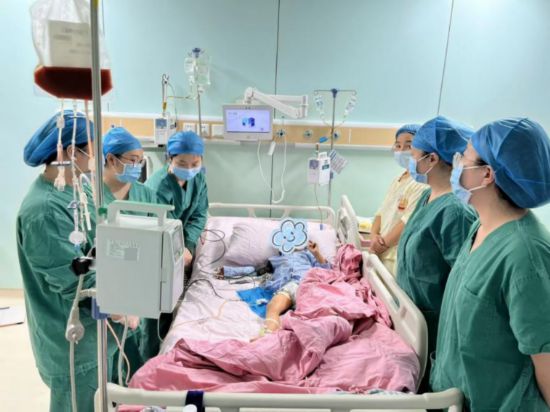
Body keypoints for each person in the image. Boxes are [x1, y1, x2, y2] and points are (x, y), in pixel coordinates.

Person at [430, 118, 550, 410]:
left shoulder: (525, 255)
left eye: (464, 157)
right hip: (455, 397)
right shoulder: (481, 228)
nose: (456, 164)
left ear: (486, 175)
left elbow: (546, 358)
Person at [16, 111, 131, 411]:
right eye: (93, 151)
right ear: (70, 153)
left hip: (97, 335)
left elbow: (97, 243)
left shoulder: (79, 188)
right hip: (74, 342)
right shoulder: (43, 210)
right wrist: (120, 305)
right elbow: (74, 283)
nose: (97, 158)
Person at [395, 116, 477, 390]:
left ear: (431, 159)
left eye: (413, 155)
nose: (410, 160)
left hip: (434, 325)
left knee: (429, 390)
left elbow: (463, 282)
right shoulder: (426, 196)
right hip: (410, 317)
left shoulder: (455, 212)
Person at [143, 130, 209, 358]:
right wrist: (179, 250)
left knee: (172, 307)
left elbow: (199, 214)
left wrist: (188, 245)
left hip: (181, 251)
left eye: (195, 163)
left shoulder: (198, 179)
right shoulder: (158, 187)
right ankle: (148, 358)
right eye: (182, 163)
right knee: (155, 312)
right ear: (169, 158)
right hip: (158, 253)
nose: (189, 168)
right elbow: (160, 228)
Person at [102, 127, 159, 379]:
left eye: (140, 161)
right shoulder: (92, 196)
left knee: (135, 353)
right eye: (132, 160)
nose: (137, 167)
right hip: (107, 287)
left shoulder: (145, 195)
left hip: (139, 284)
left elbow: (158, 237)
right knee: (108, 356)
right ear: (111, 159)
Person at [219, 241, 331, 337]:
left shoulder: (308, 254)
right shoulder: (275, 259)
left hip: (307, 285)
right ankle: (266, 335)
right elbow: (255, 271)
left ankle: (313, 332)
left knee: (310, 311)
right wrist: (228, 271)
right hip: (287, 287)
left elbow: (326, 271)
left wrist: (316, 253)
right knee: (272, 306)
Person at [369, 124, 427, 275]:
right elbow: (380, 212)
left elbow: (407, 222)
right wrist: (373, 236)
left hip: (394, 255)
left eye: (409, 146)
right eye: (398, 145)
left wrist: (382, 245)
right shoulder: (397, 180)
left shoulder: (421, 183)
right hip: (380, 250)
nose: (402, 151)